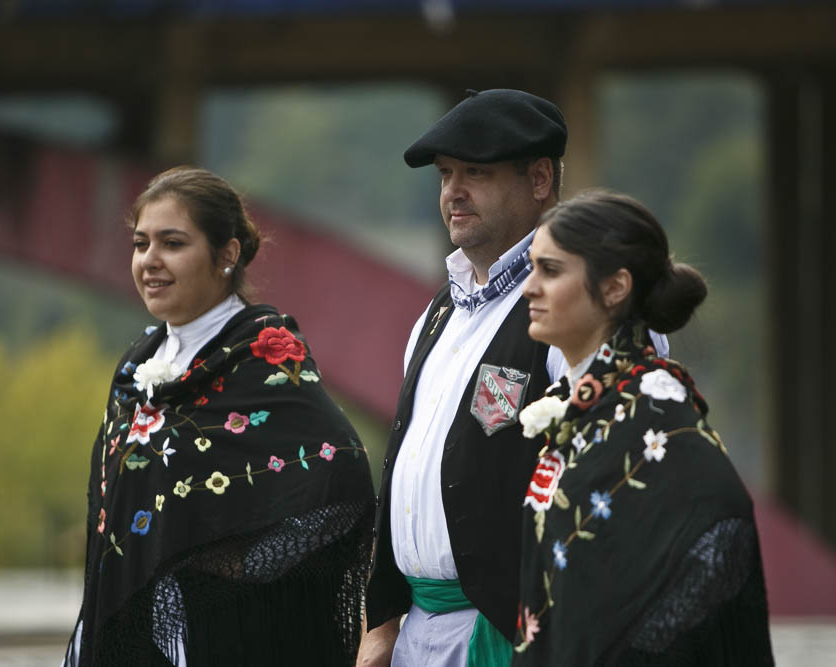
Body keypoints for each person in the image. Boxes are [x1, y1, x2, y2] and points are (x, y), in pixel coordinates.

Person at [359, 88, 648, 667]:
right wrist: (382, 622)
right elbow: (408, 472)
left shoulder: (575, 310)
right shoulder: (437, 314)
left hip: (513, 633)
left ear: (539, 179)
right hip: (417, 627)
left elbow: (617, 482)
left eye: (476, 172)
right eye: (446, 174)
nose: (453, 191)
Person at [63, 166, 375, 667]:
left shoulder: (265, 355)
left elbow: (338, 465)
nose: (150, 260)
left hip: (227, 639)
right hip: (136, 639)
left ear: (226, 254)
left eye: (172, 243)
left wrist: (239, 563)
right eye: (141, 244)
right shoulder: (136, 367)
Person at [512, 190, 773, 666]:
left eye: (549, 270)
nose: (529, 287)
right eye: (532, 268)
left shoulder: (656, 413)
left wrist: (647, 639)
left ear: (615, 287)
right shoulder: (588, 404)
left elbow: (722, 519)